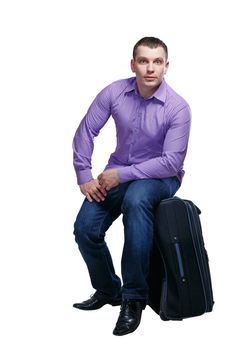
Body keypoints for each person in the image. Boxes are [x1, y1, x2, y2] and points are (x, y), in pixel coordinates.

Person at [72, 37, 191, 336]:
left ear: (166, 66)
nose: (150, 68)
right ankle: (109, 290)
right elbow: (87, 130)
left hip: (161, 177)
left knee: (137, 200)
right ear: (133, 64)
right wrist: (84, 175)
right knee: (85, 228)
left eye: (157, 62)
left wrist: (121, 175)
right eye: (143, 61)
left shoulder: (178, 108)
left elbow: (170, 162)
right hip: (118, 173)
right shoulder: (114, 92)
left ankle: (133, 298)